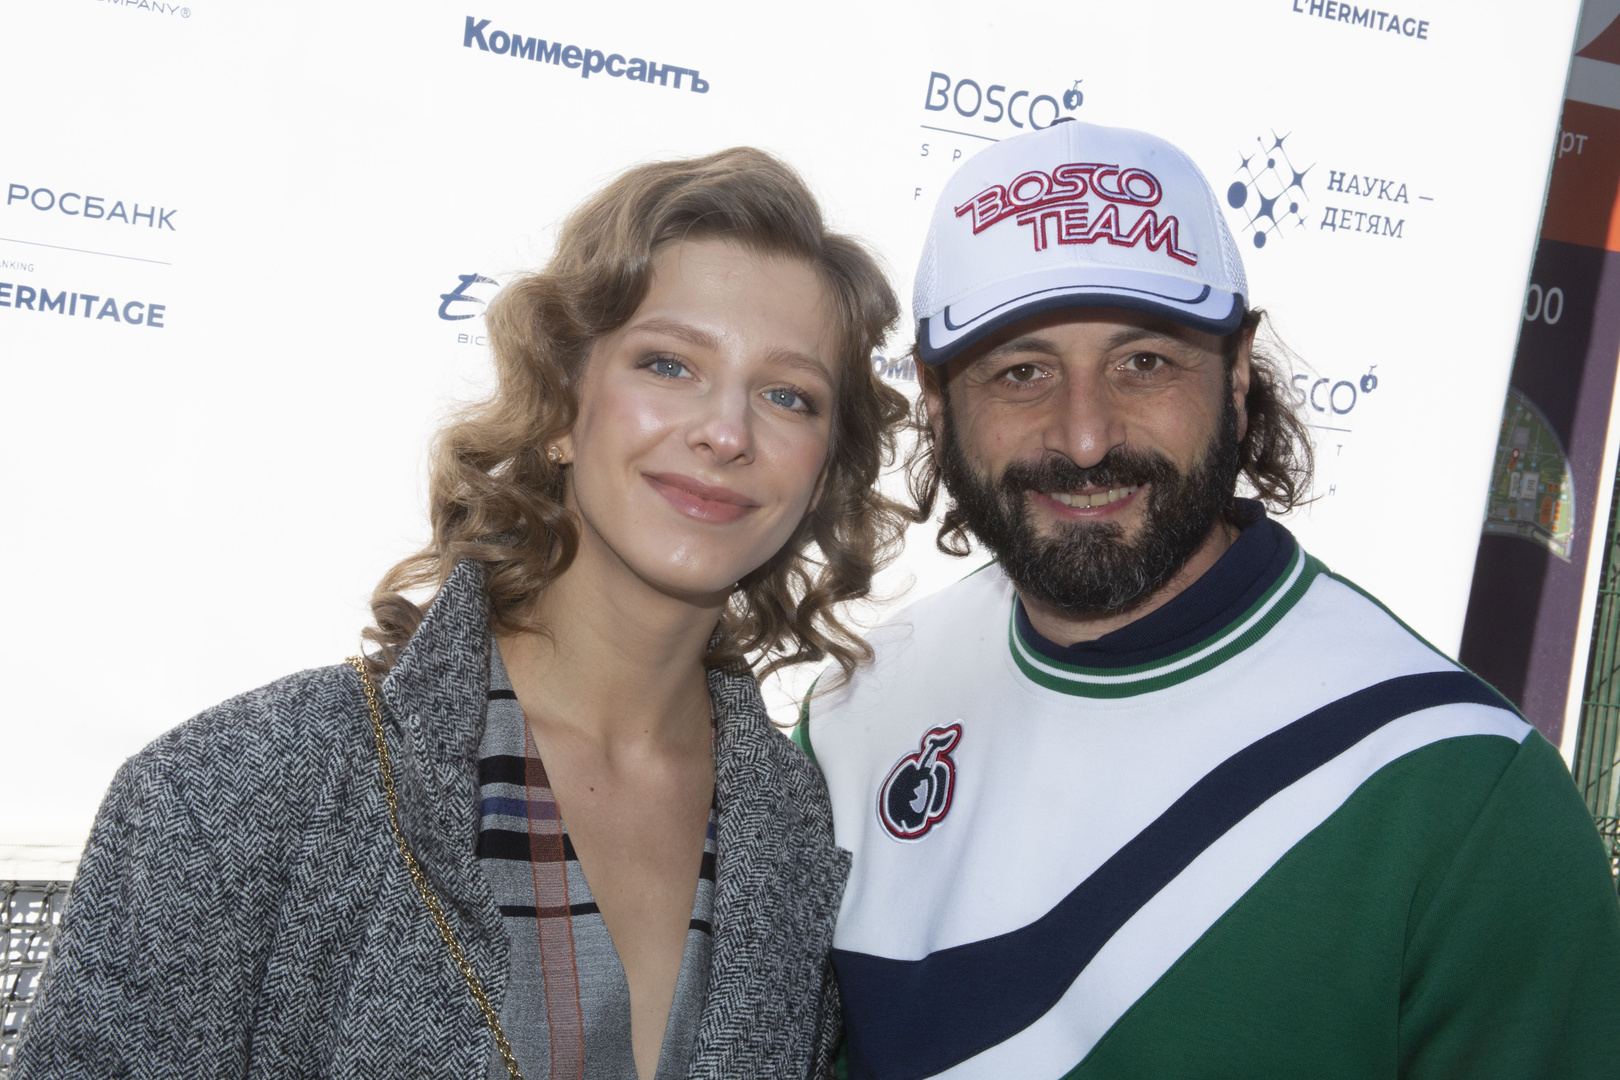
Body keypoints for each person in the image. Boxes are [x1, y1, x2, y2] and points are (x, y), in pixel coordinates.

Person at [17, 147, 912, 1080]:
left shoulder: (802, 832)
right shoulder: (235, 791)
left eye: (788, 396)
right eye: (668, 364)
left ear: (821, 474)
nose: (727, 432)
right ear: (561, 407)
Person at [796, 119, 1620, 1079]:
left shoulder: (1460, 789)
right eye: (1022, 372)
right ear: (937, 401)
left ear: (1236, 374)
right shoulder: (856, 713)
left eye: (1144, 362)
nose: (1087, 436)